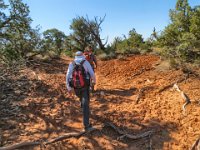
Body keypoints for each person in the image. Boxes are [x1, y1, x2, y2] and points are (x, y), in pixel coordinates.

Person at [66, 51, 96, 131]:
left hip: (75, 87)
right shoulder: (85, 62)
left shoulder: (71, 63)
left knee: (81, 98)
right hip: (85, 87)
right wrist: (94, 81)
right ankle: (87, 126)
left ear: (75, 56)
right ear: (82, 55)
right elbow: (92, 74)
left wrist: (68, 88)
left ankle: (82, 103)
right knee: (86, 105)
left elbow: (68, 75)